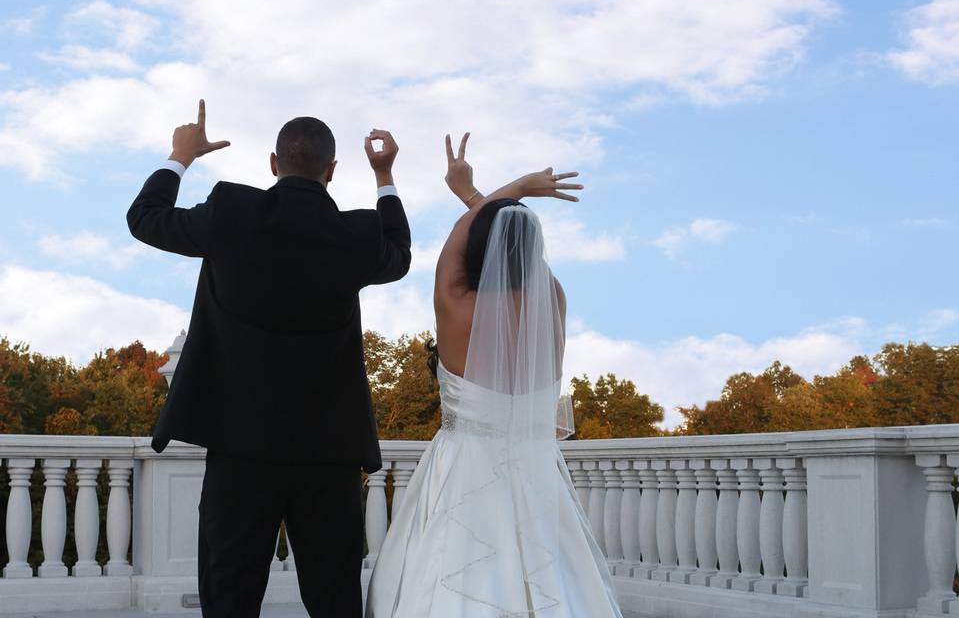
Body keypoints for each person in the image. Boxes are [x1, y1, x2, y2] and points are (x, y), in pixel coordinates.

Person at [126, 100, 411, 618]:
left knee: (229, 596)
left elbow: (145, 220)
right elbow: (399, 254)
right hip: (330, 452)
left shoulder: (232, 212)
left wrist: (180, 156)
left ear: (274, 164)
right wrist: (385, 176)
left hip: (239, 448)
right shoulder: (355, 236)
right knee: (334, 599)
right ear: (331, 172)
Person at [364, 133, 623, 617]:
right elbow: (515, 250)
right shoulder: (555, 303)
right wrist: (486, 196)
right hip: (535, 464)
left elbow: (469, 232)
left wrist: (499, 189)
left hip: (462, 465)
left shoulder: (455, 303)